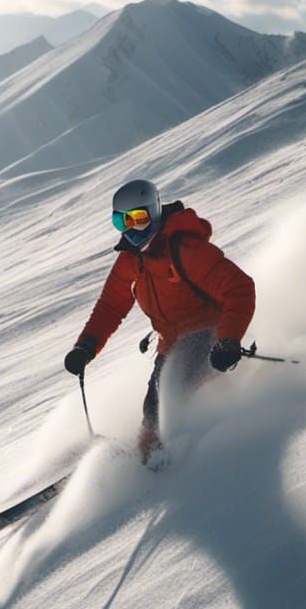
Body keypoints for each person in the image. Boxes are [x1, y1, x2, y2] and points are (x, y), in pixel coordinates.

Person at [63, 179, 256, 463]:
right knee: (152, 414)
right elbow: (111, 305)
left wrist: (228, 340)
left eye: (138, 219)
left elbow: (239, 287)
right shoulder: (131, 260)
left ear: (153, 213)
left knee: (171, 404)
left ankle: (185, 460)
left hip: (209, 336)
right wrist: (86, 347)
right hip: (171, 345)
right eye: (121, 221)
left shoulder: (185, 250)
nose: (130, 229)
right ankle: (148, 457)